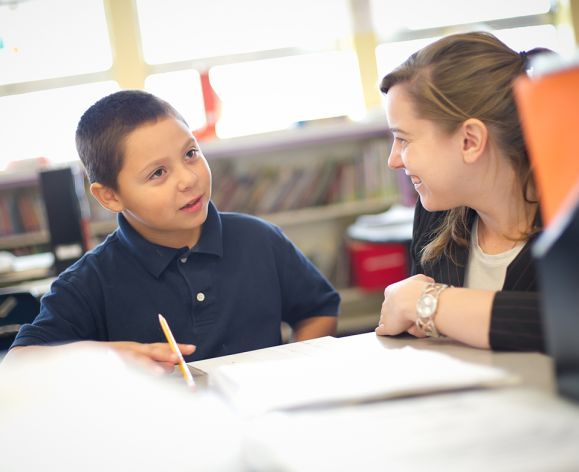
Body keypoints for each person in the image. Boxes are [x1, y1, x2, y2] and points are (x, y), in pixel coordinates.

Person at [4, 90, 339, 370]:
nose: (188, 179)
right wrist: (106, 357)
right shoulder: (87, 283)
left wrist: (290, 371)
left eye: (191, 153)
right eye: (158, 173)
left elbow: (318, 309)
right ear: (110, 196)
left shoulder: (260, 239)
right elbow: (20, 364)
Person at [375, 31, 552, 352]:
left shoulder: (569, 221)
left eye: (404, 139)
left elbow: (563, 322)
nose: (393, 160)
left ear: (470, 141)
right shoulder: (434, 215)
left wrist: (430, 303)